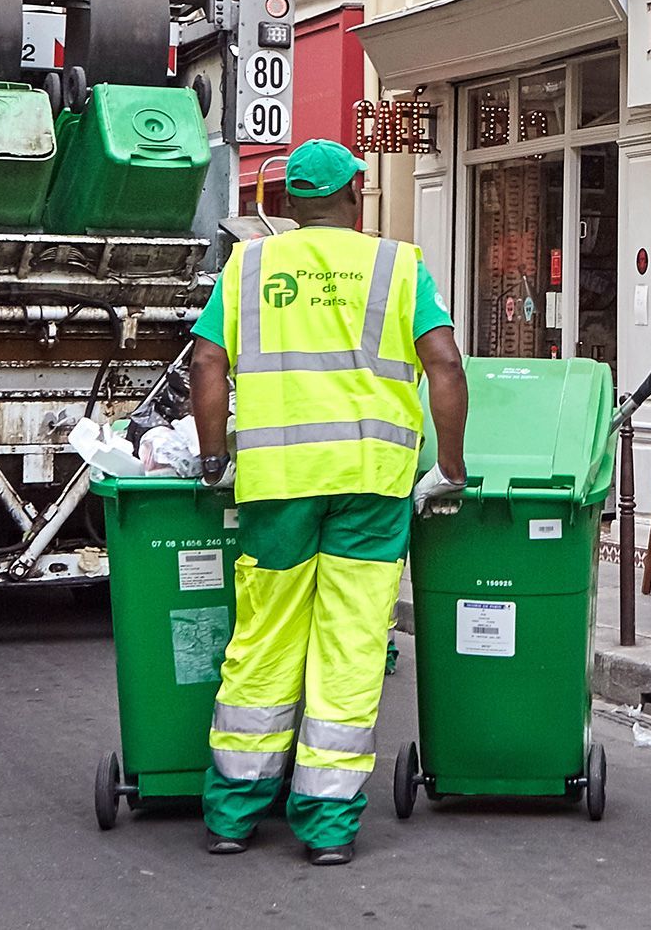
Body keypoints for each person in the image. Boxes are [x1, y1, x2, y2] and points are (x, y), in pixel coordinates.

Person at [190, 139, 469, 866]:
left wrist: (214, 456)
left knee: (265, 640)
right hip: (372, 484)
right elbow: (444, 362)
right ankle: (327, 827)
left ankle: (233, 814)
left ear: (284, 205)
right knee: (350, 642)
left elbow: (207, 361)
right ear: (356, 196)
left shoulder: (247, 265)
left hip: (277, 484)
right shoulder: (397, 266)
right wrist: (451, 465)